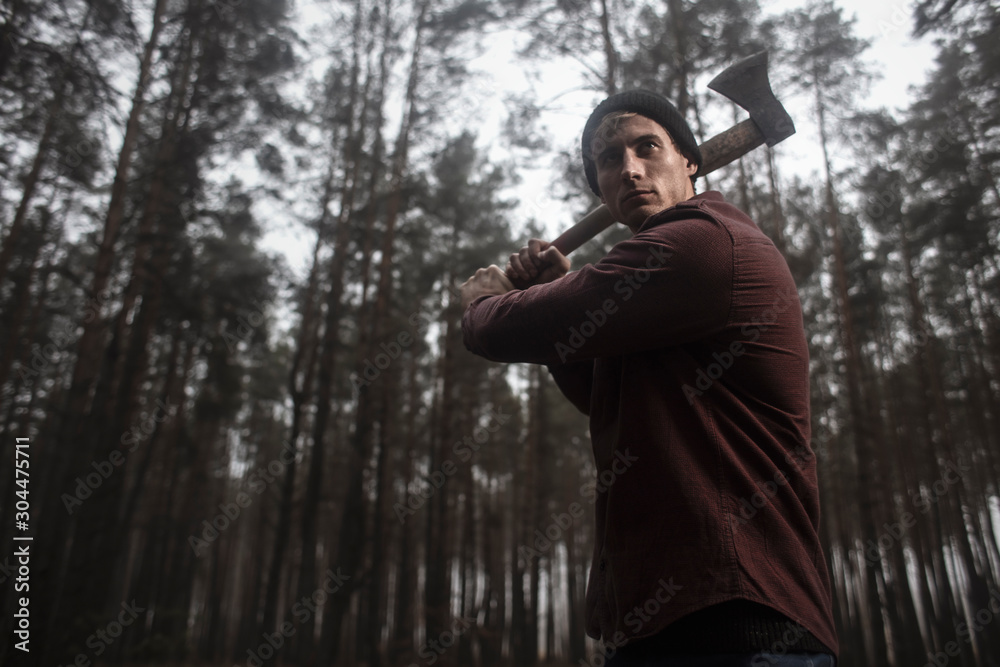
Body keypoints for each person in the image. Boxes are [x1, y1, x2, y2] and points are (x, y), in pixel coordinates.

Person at [460, 90, 838, 666]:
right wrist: (549, 290)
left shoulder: (705, 241)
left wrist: (484, 305)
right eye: (609, 159)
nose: (630, 169)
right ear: (601, 187)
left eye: (647, 147)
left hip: (740, 626)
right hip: (661, 625)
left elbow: (510, 328)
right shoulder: (655, 292)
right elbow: (601, 395)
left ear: (689, 160)